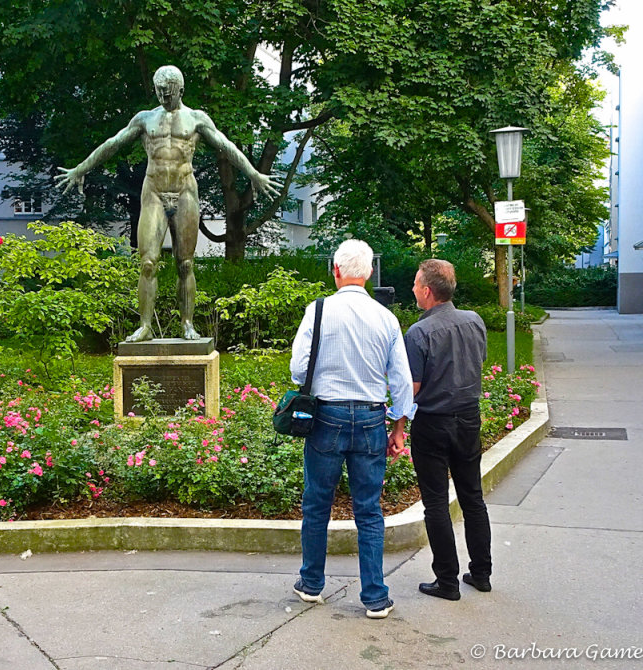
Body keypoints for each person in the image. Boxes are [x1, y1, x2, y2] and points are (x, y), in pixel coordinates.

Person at [55, 65, 281, 342]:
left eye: (169, 92)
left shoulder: (196, 119)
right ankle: (145, 326)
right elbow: (113, 143)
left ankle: (187, 324)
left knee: (185, 264)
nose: (163, 96)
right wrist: (81, 169)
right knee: (148, 262)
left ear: (180, 90)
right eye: (160, 91)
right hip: (153, 193)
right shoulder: (145, 119)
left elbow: (226, 144)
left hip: (185, 192)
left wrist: (254, 174)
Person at [289, 239, 416, 619]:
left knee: (316, 504)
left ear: (336, 271)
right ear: (370, 273)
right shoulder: (386, 317)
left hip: (325, 417)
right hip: (371, 418)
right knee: (369, 509)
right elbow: (403, 381)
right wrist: (398, 424)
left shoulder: (319, 310)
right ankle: (375, 596)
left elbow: (297, 369)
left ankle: (312, 583)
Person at [399, 259, 492, 601]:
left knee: (436, 502)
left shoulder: (419, 332)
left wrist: (394, 418)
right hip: (469, 419)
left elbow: (413, 386)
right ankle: (481, 573)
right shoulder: (475, 322)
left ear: (426, 291)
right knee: (473, 497)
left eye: (415, 284)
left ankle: (447, 581)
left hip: (433, 423)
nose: (412, 289)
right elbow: (476, 363)